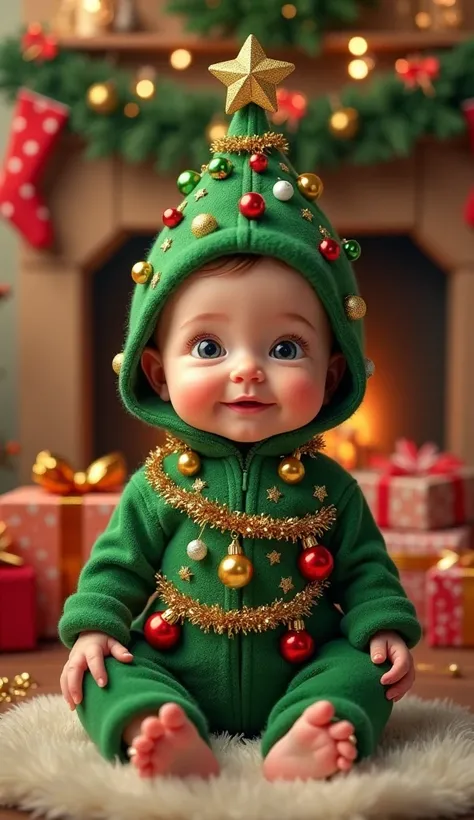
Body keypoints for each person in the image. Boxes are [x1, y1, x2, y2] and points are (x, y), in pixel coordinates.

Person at [58, 35, 421, 782]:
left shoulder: (332, 490)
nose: (249, 370)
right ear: (156, 372)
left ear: (333, 372)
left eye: (285, 350)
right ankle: (155, 728)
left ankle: (311, 731)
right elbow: (116, 567)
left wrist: (385, 626)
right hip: (173, 659)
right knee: (104, 673)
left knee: (367, 673)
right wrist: (91, 628)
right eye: (209, 347)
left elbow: (363, 570)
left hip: (302, 662)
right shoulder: (159, 484)